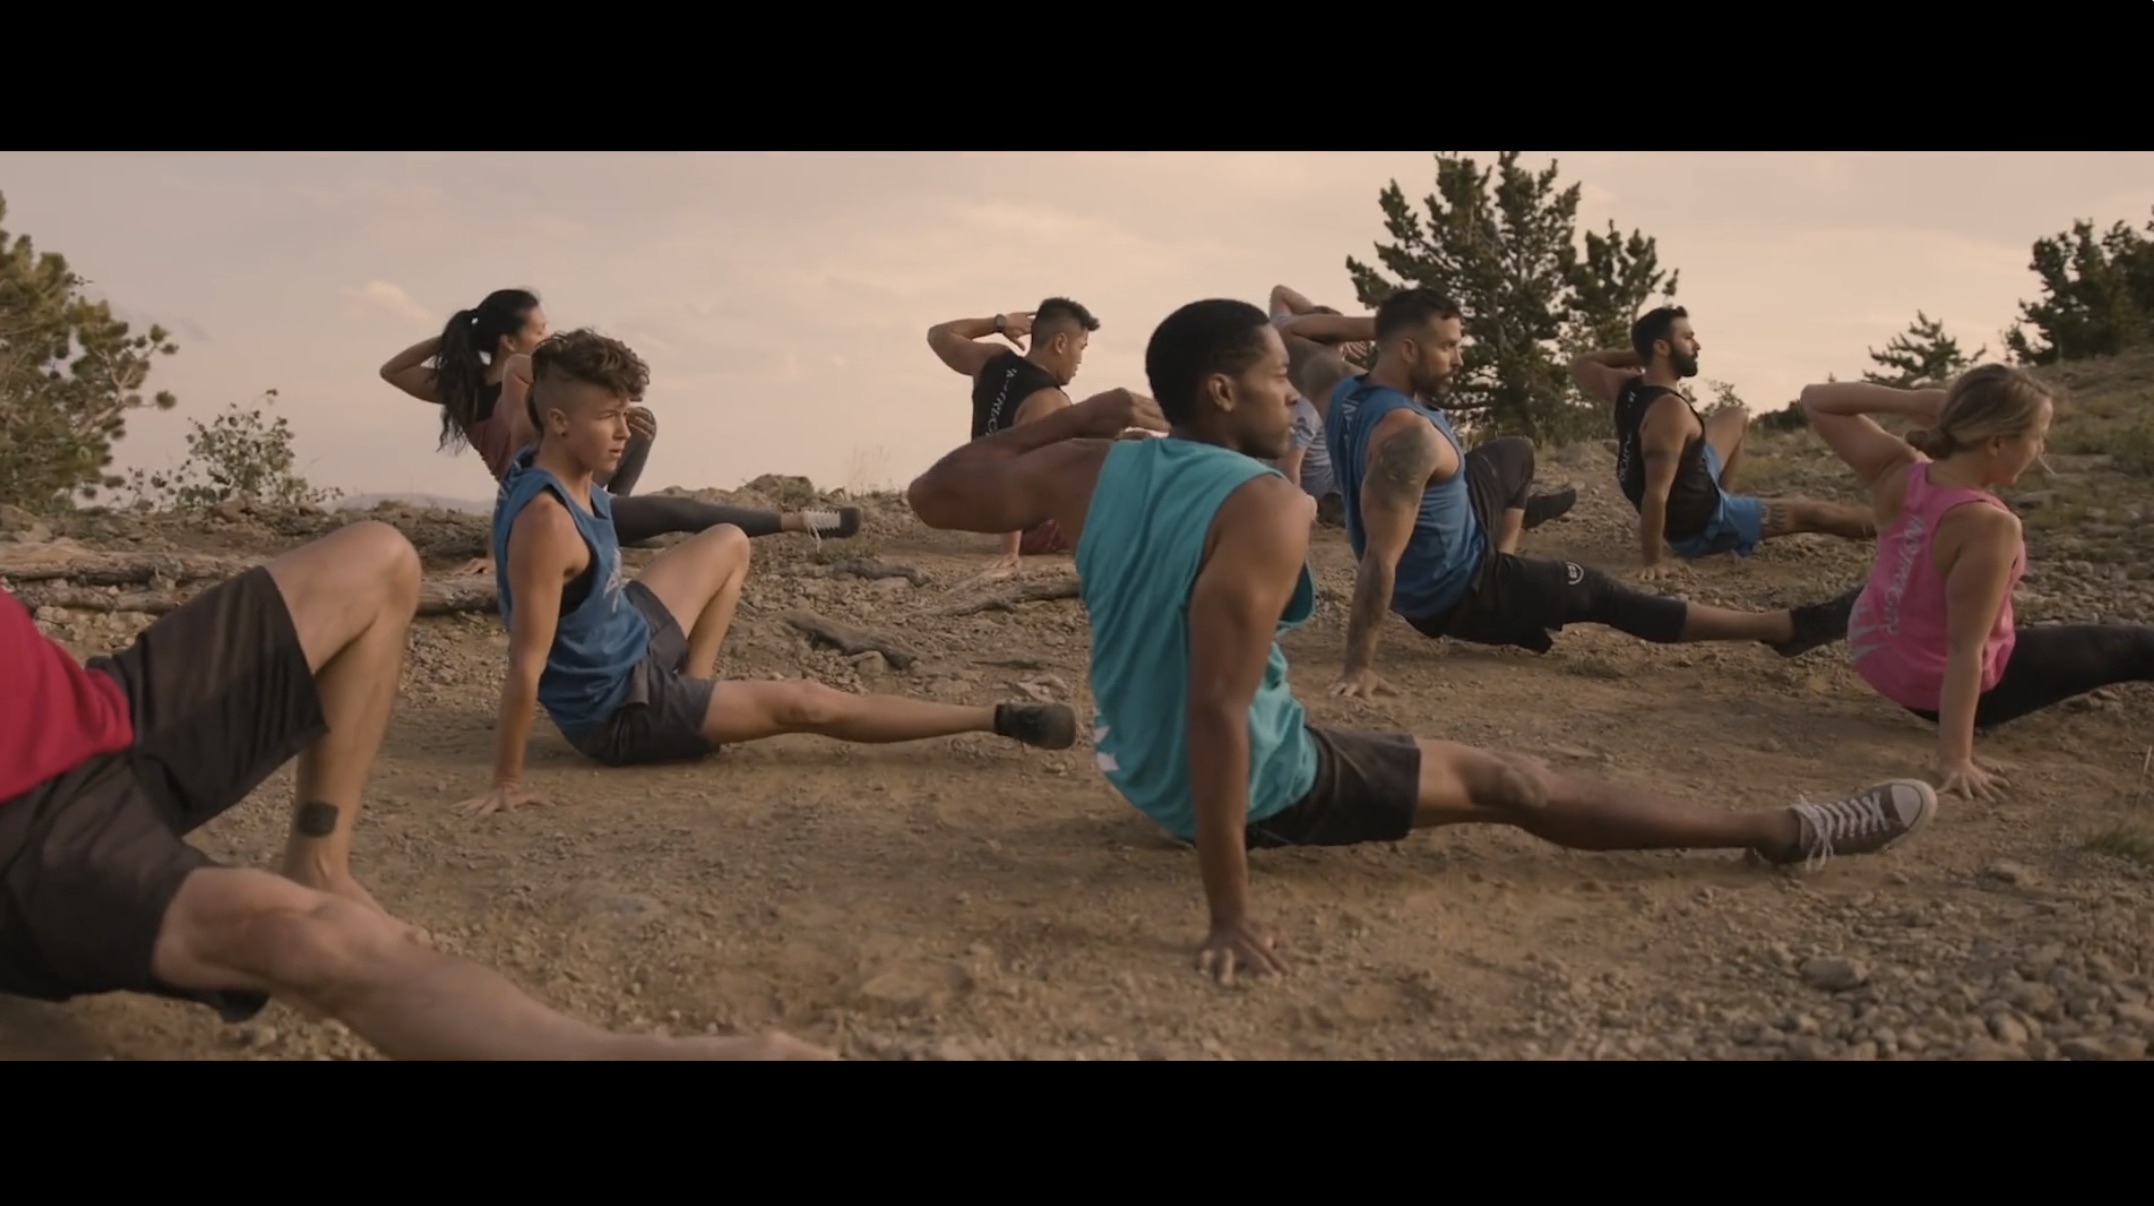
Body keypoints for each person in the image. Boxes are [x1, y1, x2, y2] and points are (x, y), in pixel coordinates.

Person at [904, 297, 1937, 984]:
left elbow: (933, 491)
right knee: (1515, 784)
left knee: (1447, 758)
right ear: (1221, 392)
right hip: (1247, 786)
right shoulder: (1264, 505)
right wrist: (1228, 911)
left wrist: (1066, 419)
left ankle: (1774, 822)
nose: (1293, 398)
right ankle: (1784, 829)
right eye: (1276, 380)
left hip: (1140, 765)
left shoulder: (1090, 468)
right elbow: (1219, 709)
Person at [0, 521, 833, 1059]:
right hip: (31, 825)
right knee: (309, 941)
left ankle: (320, 859)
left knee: (379, 558)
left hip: (93, 709)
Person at [469, 327, 1078, 813]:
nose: (626, 432)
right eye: (609, 416)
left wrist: (552, 361)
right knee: (806, 703)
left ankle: (695, 691)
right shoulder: (547, 523)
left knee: (728, 539)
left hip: (626, 638)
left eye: (626, 412)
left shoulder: (546, 448)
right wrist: (506, 781)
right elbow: (526, 660)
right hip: (619, 711)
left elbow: (521, 371)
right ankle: (996, 719)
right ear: (559, 421)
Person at [1326, 288, 1860, 696]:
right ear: (1408, 348)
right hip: (1458, 592)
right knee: (1602, 593)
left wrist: (1380, 326)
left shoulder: (1341, 389)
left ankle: (1506, 557)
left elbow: (1292, 334)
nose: (1459, 360)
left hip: (1460, 534)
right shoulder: (1410, 439)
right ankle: (1782, 628)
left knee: (1516, 452)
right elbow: (1380, 558)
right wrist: (1358, 667)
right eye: (1448, 347)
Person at [1802, 366, 2154, 802]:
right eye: (2038, 436)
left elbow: (1816, 399)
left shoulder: (1899, 470)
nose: (2041, 449)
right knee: (2138, 646)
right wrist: (1956, 758)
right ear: (1997, 443)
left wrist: (1912, 402)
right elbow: (1964, 650)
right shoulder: (1989, 525)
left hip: (1875, 652)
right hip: (1929, 686)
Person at [379, 288, 860, 575]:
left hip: (573, 492)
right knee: (678, 511)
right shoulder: (479, 391)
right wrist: (495, 548)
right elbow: (393, 372)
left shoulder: (532, 384)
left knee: (639, 430)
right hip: (540, 506)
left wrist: (616, 414)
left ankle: (610, 515)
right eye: (539, 331)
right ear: (509, 340)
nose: (547, 337)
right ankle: (802, 520)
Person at [1570, 306, 1873, 579]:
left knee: (1735, 415)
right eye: (1687, 338)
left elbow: (1581, 363)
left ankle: (1725, 496)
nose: (1697, 345)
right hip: (1699, 524)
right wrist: (1654, 561)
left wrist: (1646, 355)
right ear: (1662, 347)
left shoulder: (1625, 386)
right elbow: (1656, 494)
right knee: (1815, 514)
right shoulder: (1669, 411)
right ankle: (1896, 525)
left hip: (1693, 475)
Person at [926, 298, 1103, 575]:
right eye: (1081, 347)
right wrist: (1010, 552)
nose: (1080, 359)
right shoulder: (1048, 400)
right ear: (1060, 343)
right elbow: (1018, 472)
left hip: (979, 505)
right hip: (1026, 524)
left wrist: (999, 323)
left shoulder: (992, 360)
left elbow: (938, 335)